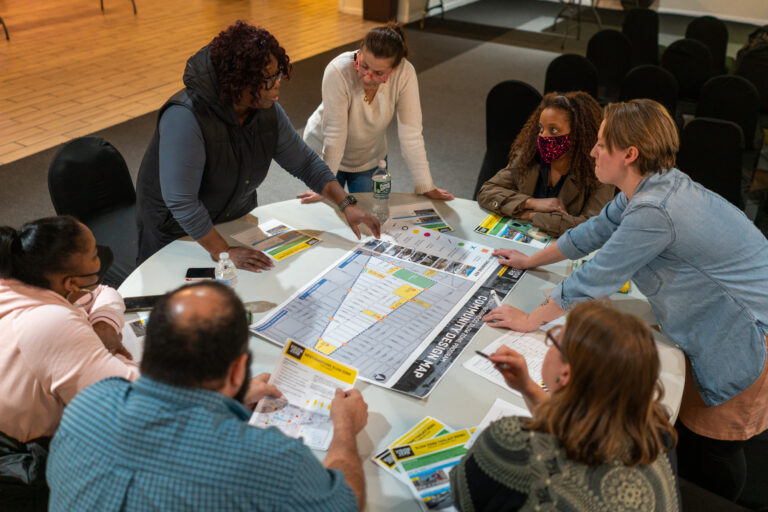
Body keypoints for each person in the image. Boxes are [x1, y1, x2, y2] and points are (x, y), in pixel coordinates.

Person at [482, 99, 768, 501]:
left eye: (601, 144)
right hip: (714, 317)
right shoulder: (648, 185)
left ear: (629, 154)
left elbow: (598, 275)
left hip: (742, 332)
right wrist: (532, 259)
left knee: (715, 445)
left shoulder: (656, 208)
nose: (593, 151)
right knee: (692, 433)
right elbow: (593, 232)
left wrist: (530, 321)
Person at [47, 281, 369, 511]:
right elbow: (347, 501)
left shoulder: (87, 404)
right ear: (236, 371)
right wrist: (344, 428)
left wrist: (227, 402)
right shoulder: (272, 460)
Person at [136, 21, 380, 268]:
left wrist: (346, 204)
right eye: (267, 78)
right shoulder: (186, 116)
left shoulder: (266, 110)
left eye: (278, 74)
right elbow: (182, 202)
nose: (276, 84)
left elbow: (305, 163)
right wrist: (223, 252)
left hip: (231, 219)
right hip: (177, 234)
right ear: (236, 80)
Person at [451, 301, 680, 511]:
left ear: (565, 375)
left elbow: (462, 495)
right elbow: (577, 424)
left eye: (555, 342)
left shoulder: (515, 444)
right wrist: (528, 388)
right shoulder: (655, 431)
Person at [0, 216, 138, 510]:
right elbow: (129, 401)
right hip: (31, 468)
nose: (101, 255)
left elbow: (104, 293)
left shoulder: (19, 282)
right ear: (70, 282)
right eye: (93, 254)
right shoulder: (47, 321)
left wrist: (103, 325)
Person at [299, 23, 454, 202]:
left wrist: (425, 184)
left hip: (369, 157)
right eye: (364, 66)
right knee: (329, 213)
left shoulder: (405, 73)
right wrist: (324, 183)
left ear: (394, 69)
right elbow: (335, 135)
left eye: (378, 73)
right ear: (361, 52)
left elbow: (411, 134)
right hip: (324, 151)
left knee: (372, 215)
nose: (367, 77)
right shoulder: (338, 71)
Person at [477, 91, 615, 237]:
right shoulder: (528, 155)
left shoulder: (600, 170)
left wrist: (533, 216)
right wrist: (530, 203)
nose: (543, 136)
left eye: (554, 130)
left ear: (578, 134)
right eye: (541, 129)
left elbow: (593, 227)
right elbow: (487, 191)